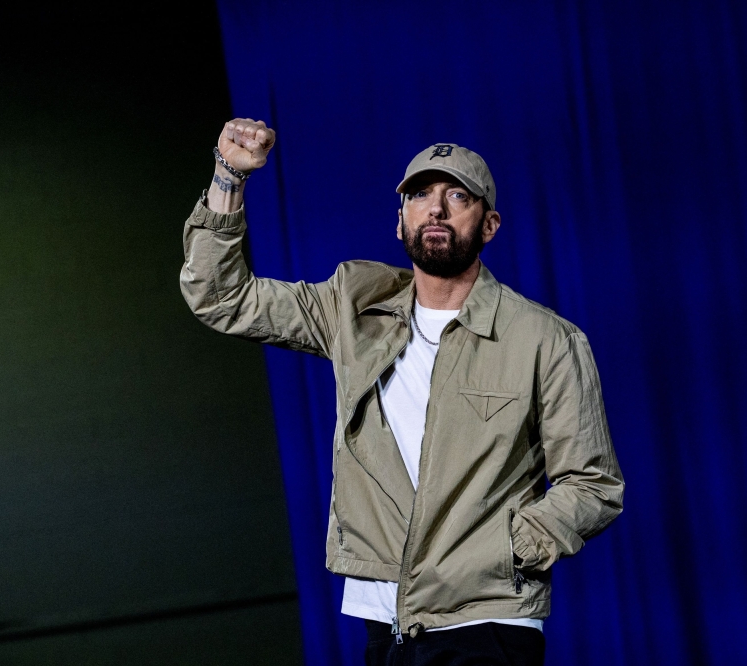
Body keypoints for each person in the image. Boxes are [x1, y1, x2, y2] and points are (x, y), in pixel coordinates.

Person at [181, 118, 625, 666]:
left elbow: (594, 483)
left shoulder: (546, 340)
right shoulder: (351, 307)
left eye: (456, 196)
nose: (435, 209)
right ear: (400, 223)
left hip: (485, 616)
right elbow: (221, 298)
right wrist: (228, 176)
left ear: (489, 225)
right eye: (420, 195)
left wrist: (506, 552)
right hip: (384, 617)